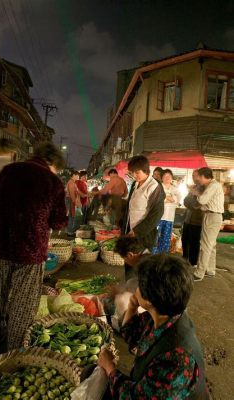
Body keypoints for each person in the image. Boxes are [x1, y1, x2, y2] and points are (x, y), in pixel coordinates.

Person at [0, 142, 67, 353]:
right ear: (52, 162)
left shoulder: (10, 171)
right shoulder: (53, 182)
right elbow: (59, 222)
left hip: (2, 244)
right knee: (23, 302)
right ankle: (14, 350)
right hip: (31, 249)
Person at [98, 254, 209, 400]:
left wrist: (110, 368)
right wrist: (131, 307)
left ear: (149, 301)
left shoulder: (177, 359)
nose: (136, 288)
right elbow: (132, 335)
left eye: (139, 285)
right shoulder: (166, 313)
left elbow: (136, 397)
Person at [122, 155, 165, 280]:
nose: (135, 175)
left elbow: (157, 214)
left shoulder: (154, 186)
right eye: (132, 172)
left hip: (143, 235)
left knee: (140, 269)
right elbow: (130, 207)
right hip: (130, 232)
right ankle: (129, 294)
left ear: (146, 170)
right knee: (129, 264)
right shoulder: (135, 184)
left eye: (137, 172)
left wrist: (137, 231)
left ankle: (139, 296)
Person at [193, 167, 224, 281]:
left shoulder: (213, 185)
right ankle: (210, 269)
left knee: (205, 245)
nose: (198, 180)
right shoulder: (213, 185)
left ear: (203, 176)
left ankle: (199, 273)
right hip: (213, 215)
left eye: (198, 177)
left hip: (212, 216)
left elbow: (202, 200)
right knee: (211, 244)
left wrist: (196, 193)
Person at [154, 169, 179, 253]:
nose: (167, 178)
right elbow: (158, 199)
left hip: (169, 217)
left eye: (169, 176)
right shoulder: (158, 186)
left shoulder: (175, 188)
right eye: (165, 176)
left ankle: (163, 256)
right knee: (155, 237)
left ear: (172, 178)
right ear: (162, 178)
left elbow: (177, 200)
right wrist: (170, 198)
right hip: (158, 216)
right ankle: (153, 256)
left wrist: (166, 198)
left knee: (166, 238)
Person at [182, 170, 204, 266]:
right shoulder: (193, 187)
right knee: (184, 240)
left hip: (197, 220)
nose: (194, 178)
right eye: (192, 176)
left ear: (200, 176)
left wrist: (191, 204)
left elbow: (198, 204)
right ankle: (184, 259)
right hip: (188, 219)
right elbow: (185, 201)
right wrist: (191, 204)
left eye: (195, 176)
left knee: (194, 242)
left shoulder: (203, 188)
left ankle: (193, 262)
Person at [66, 170, 81, 236]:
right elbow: (72, 194)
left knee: (71, 216)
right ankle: (70, 232)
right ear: (74, 175)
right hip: (70, 200)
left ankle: (68, 231)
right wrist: (75, 202)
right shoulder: (71, 182)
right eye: (77, 175)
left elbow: (77, 192)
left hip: (70, 200)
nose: (78, 177)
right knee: (71, 216)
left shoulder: (73, 182)